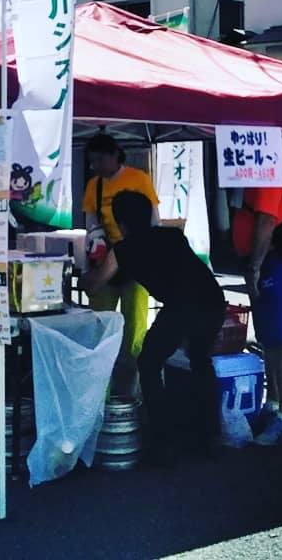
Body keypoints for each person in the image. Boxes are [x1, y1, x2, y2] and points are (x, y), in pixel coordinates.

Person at [83, 190, 225, 461]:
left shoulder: (124, 250)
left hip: (183, 306)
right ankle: (209, 434)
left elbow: (95, 284)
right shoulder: (172, 236)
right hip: (212, 299)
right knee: (200, 361)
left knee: (148, 362)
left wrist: (81, 274)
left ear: (120, 223)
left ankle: (163, 438)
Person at [81, 135, 159, 390]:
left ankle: (130, 392)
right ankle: (100, 386)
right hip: (107, 258)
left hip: (138, 261)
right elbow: (91, 221)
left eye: (100, 159)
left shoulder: (139, 180)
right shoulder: (94, 185)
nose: (96, 166)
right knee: (99, 323)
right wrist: (96, 243)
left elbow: (154, 222)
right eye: (92, 162)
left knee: (134, 331)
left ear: (115, 154)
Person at [232, 177, 282, 445]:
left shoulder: (267, 172)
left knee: (281, 340)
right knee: (269, 338)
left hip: (273, 262)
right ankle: (273, 405)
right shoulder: (255, 173)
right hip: (266, 261)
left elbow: (266, 221)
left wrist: (254, 266)